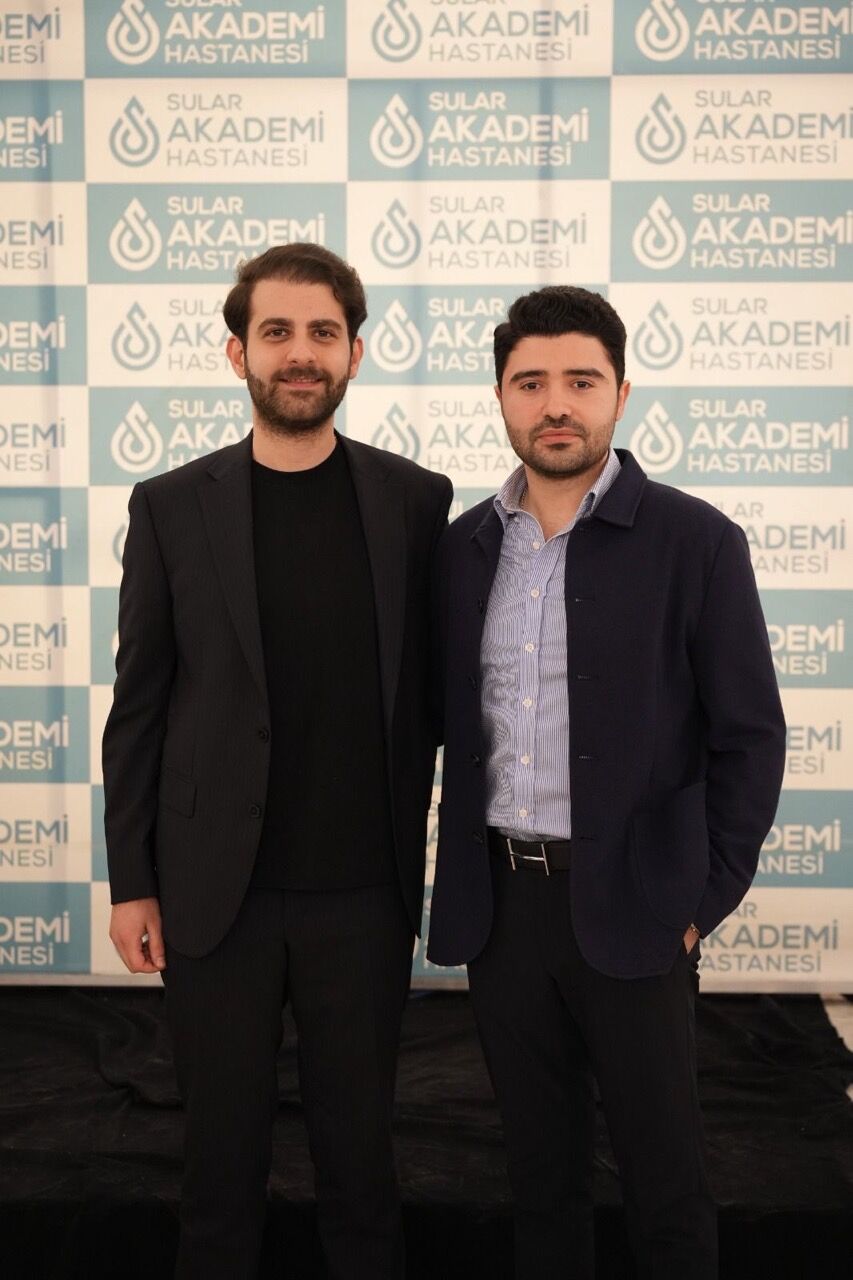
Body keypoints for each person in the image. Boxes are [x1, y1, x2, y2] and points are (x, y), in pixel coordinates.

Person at [103, 243, 452, 1280]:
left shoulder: (416, 501)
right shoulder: (170, 506)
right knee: (218, 1173)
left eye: (322, 332)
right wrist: (133, 881)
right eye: (277, 331)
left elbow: (438, 698)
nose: (301, 352)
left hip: (365, 894)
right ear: (237, 352)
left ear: (355, 353)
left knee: (362, 1171)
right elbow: (140, 706)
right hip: (216, 896)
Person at [427, 285, 786, 1279]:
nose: (556, 404)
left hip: (639, 904)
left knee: (665, 1187)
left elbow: (749, 735)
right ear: (500, 397)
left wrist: (700, 899)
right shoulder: (461, 548)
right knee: (539, 1181)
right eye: (530, 382)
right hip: (501, 912)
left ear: (620, 394)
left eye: (580, 381)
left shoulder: (695, 540)